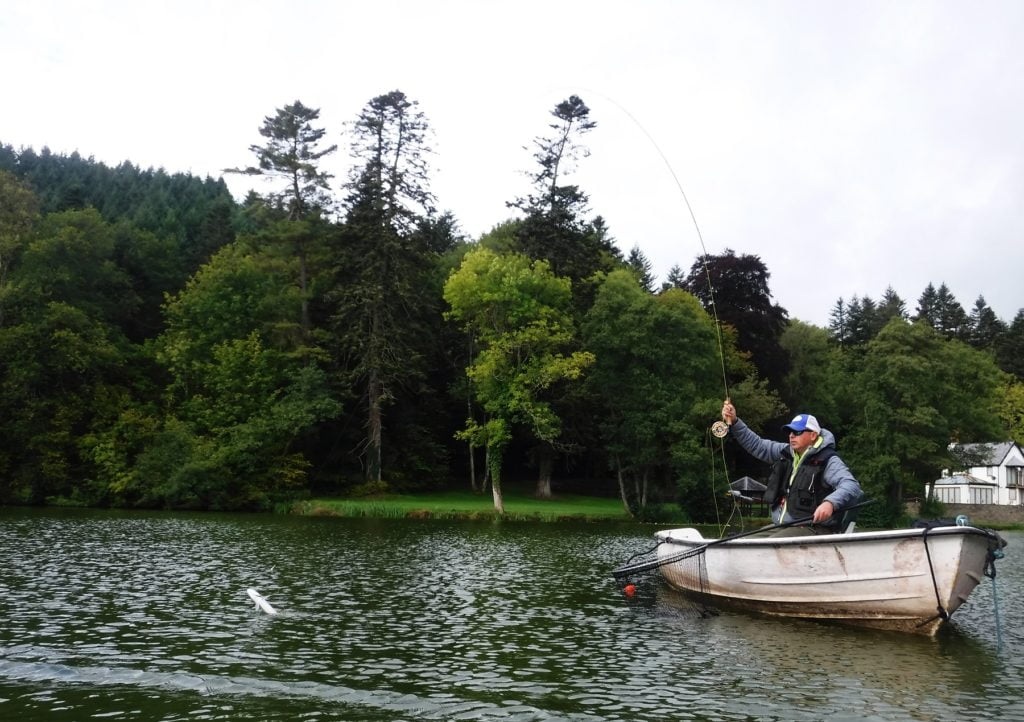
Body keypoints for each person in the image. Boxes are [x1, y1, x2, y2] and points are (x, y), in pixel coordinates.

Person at [721, 399, 862, 536]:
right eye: (790, 432)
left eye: (797, 432)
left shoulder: (829, 461)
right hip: (782, 526)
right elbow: (757, 445)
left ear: (813, 435)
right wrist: (734, 422)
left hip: (814, 528)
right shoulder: (786, 452)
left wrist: (830, 503)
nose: (791, 436)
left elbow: (851, 485)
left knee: (766, 546)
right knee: (745, 542)